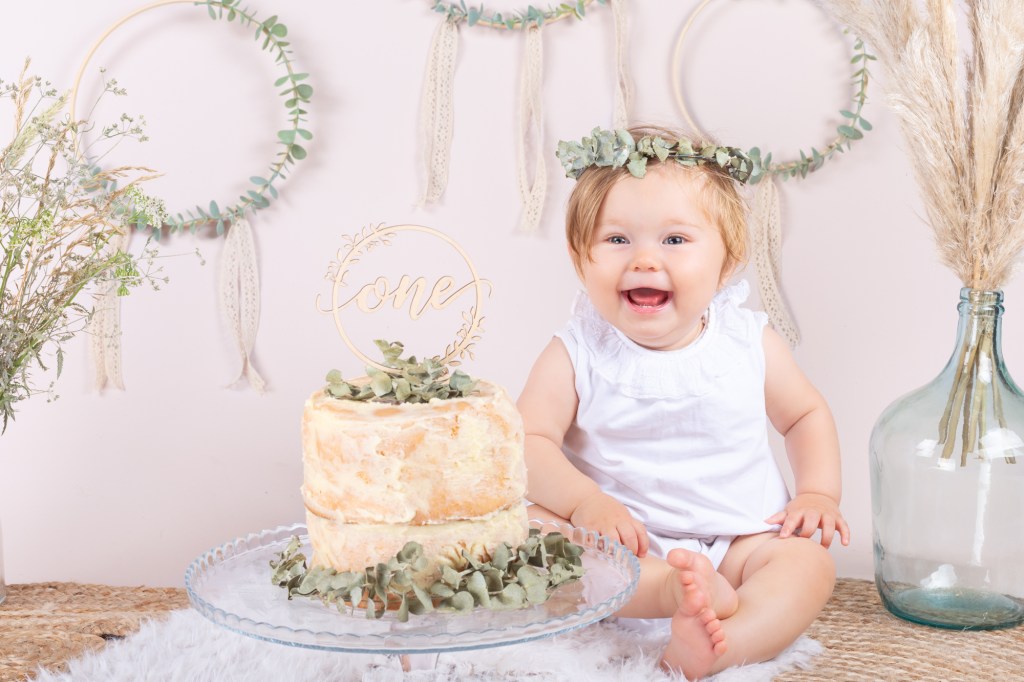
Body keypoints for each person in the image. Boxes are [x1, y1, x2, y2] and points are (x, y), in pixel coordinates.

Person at [519, 125, 850, 679]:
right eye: (617, 240)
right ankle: (671, 590)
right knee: (529, 537)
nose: (645, 260)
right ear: (581, 259)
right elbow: (527, 441)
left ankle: (724, 642)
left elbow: (804, 415)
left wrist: (818, 492)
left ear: (727, 261)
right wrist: (584, 504)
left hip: (742, 543)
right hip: (620, 544)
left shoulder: (747, 341)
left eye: (674, 240)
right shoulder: (576, 352)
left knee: (808, 564)